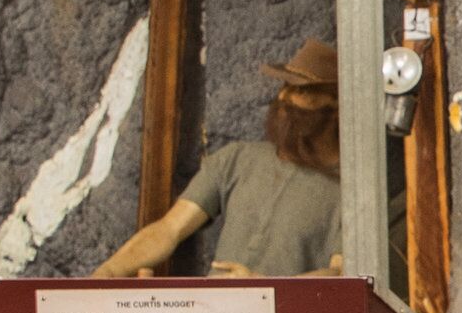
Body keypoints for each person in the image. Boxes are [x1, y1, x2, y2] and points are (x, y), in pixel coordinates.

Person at [94, 38, 346, 278]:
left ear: (335, 103)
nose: (283, 97)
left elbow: (340, 275)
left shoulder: (350, 192)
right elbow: (169, 229)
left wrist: (267, 288)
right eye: (285, 86)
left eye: (300, 90)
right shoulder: (236, 159)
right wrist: (110, 271)